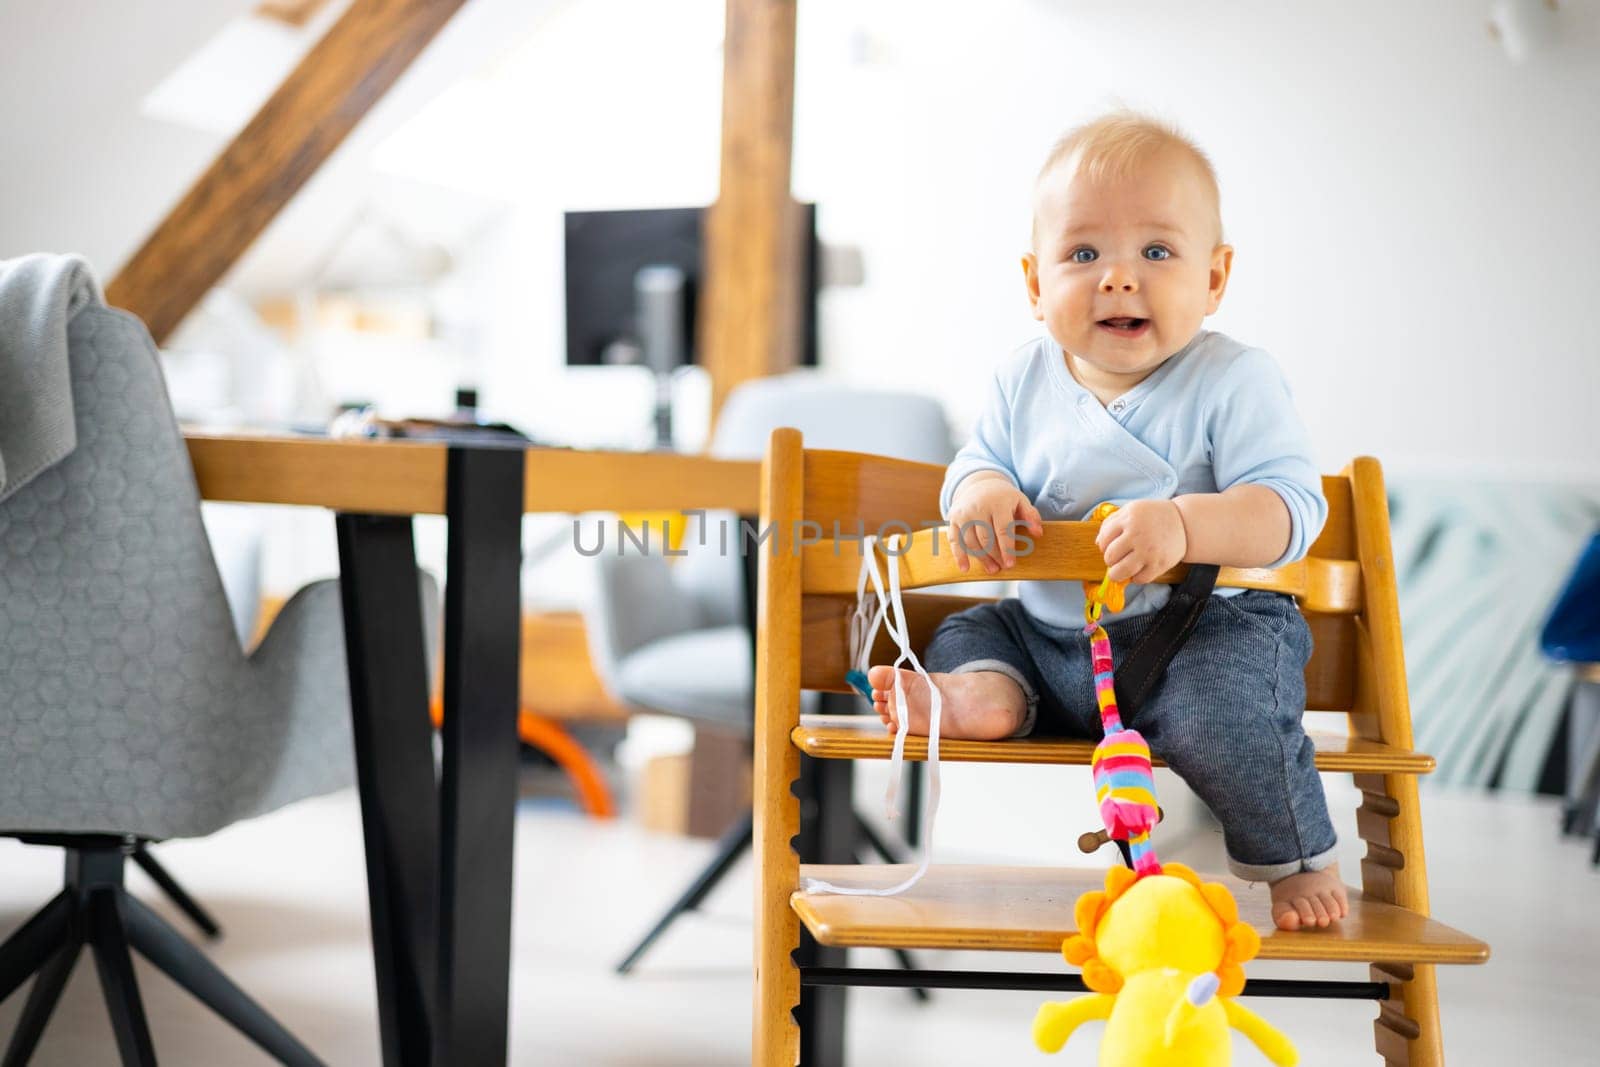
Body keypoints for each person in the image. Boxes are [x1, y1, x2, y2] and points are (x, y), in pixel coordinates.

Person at [866, 112, 1346, 932]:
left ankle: (1294, 854)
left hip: (1204, 637)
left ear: (1215, 277)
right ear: (1033, 283)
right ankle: (985, 695)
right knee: (971, 628)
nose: (1119, 278)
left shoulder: (1234, 379)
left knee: (1227, 720)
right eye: (1083, 254)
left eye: (1157, 252)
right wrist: (978, 492)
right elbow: (975, 458)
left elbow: (1291, 510)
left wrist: (1188, 526)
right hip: (1056, 645)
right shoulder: (1022, 379)